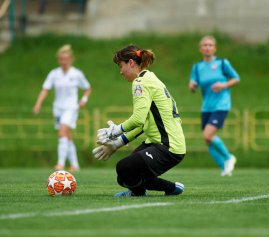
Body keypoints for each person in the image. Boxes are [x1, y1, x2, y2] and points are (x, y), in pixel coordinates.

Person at [93, 45, 186, 197]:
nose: (121, 72)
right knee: (124, 176)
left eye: (120, 66)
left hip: (168, 146)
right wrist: (117, 143)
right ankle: (171, 188)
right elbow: (144, 123)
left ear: (131, 63)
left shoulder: (140, 83)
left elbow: (137, 119)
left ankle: (139, 193)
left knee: (125, 168)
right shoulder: (150, 78)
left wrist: (115, 131)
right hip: (161, 143)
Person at [33, 44, 91, 171]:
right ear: (59, 60)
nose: (63, 61)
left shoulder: (76, 74)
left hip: (71, 107)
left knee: (62, 132)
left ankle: (60, 164)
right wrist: (38, 103)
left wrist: (84, 100)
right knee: (67, 135)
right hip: (58, 108)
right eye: (61, 59)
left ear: (71, 59)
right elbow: (45, 89)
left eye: (66, 59)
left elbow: (87, 88)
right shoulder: (54, 74)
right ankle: (75, 165)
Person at [188, 35, 240, 176]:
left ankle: (229, 158)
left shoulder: (223, 63)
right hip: (206, 107)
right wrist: (192, 86)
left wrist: (223, 85)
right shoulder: (197, 67)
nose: (207, 47)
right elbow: (192, 85)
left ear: (215, 48)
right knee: (207, 140)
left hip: (221, 105)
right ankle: (224, 168)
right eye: (205, 45)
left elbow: (236, 78)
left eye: (210, 45)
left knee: (208, 134)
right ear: (200, 49)